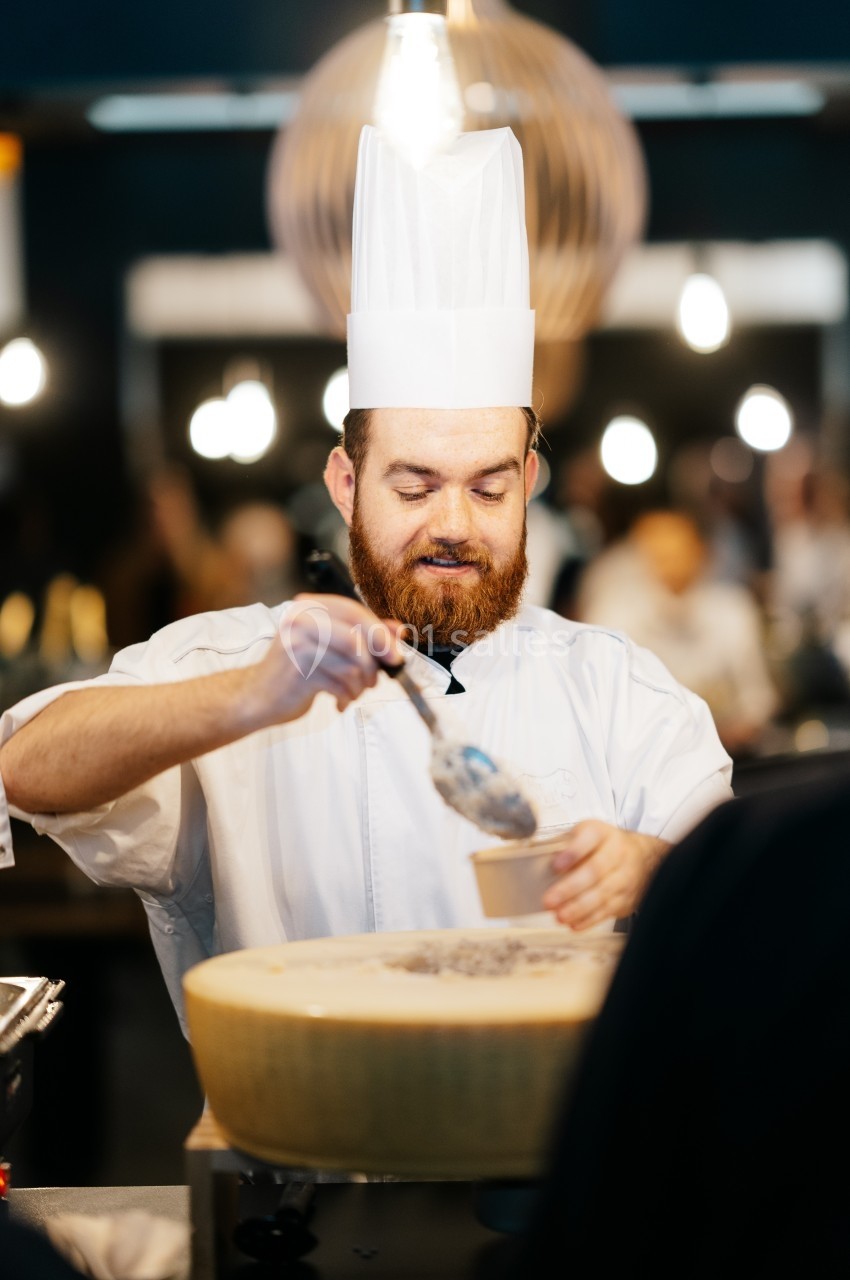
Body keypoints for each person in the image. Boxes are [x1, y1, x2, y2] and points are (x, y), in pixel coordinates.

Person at [0, 127, 732, 1030]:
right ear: (346, 487)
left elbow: (741, 895)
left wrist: (650, 866)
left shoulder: (619, 691)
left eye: (489, 487)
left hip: (558, 1166)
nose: (454, 526)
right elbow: (27, 768)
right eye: (414, 486)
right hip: (299, 1158)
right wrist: (246, 699)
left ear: (530, 483)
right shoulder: (239, 665)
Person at [508, 769, 850, 1276]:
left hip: (552, 1129)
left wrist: (644, 861)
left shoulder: (780, 855)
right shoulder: (778, 849)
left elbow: (693, 849)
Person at [579, 509, 779, 755]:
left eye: (678, 551)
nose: (670, 564)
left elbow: (757, 697)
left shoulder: (732, 609)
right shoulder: (613, 615)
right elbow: (602, 706)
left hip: (730, 755)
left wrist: (737, 728)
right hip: (644, 758)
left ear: (701, 551)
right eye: (658, 553)